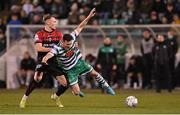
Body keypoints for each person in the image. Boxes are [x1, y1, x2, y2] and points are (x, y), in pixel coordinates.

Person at [41, 8, 115, 96]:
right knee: (76, 93)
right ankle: (77, 92)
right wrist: (44, 60)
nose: (69, 45)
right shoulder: (57, 48)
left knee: (95, 73)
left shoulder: (72, 37)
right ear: (63, 42)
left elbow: (81, 26)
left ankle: (107, 87)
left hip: (79, 63)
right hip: (69, 70)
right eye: (68, 44)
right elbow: (49, 55)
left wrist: (88, 17)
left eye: (70, 43)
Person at [19, 14, 69, 108]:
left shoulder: (59, 34)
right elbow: (39, 48)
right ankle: (24, 98)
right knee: (37, 79)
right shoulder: (39, 34)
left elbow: (62, 47)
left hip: (54, 61)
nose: (55, 23)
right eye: (54, 21)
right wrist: (54, 49)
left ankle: (56, 96)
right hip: (42, 60)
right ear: (47, 22)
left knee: (65, 83)